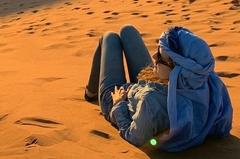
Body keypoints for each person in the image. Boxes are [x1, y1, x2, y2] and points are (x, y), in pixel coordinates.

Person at [84, 24, 232, 152]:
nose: (154, 56)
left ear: (178, 69)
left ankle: (90, 92)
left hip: (120, 97)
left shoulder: (151, 102)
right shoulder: (203, 81)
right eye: (158, 49)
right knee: (127, 30)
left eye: (161, 58)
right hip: (154, 82)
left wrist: (118, 104)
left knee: (109, 37)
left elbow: (134, 135)